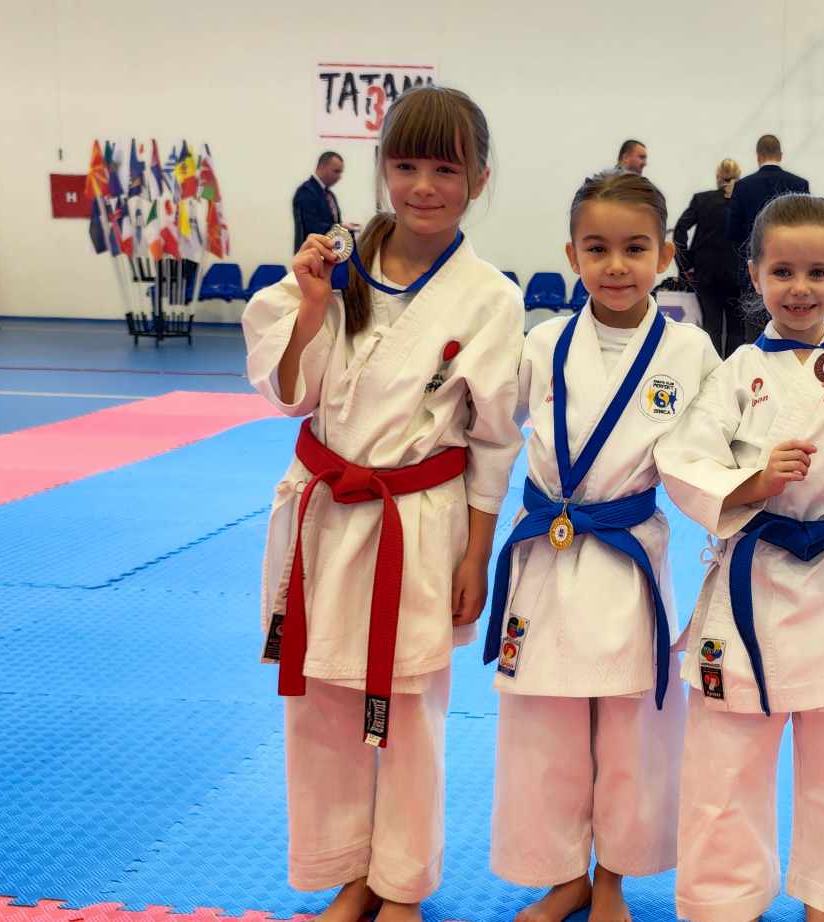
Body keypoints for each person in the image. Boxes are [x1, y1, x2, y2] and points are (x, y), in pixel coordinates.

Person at [244, 86, 521, 922]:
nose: (423, 187)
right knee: (320, 704)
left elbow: (494, 439)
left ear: (479, 179)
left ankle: (401, 883)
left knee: (408, 707)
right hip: (326, 513)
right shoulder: (331, 265)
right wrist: (313, 309)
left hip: (419, 522)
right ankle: (347, 872)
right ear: (380, 169)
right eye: (405, 166)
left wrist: (478, 554)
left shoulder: (490, 297)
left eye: (446, 169)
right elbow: (288, 394)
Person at [656, 194, 824, 922]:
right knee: (725, 761)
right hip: (753, 577)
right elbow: (684, 460)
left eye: (817, 271)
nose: (800, 288)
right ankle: (724, 901)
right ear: (754, 274)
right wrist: (757, 481)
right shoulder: (732, 372)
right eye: (782, 271)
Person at [483, 169, 720, 922]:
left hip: (627, 555)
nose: (616, 266)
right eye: (597, 249)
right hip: (546, 550)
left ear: (666, 256)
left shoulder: (690, 351)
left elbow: (718, 453)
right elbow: (484, 428)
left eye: (635, 249)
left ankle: (612, 878)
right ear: (572, 255)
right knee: (542, 727)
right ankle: (563, 877)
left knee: (629, 730)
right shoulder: (542, 342)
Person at [723, 135, 808, 351]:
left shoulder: (743, 186)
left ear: (758, 156)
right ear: (780, 155)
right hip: (793, 271)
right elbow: (808, 229)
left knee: (754, 333)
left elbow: (732, 232)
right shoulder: (799, 184)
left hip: (756, 270)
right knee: (793, 328)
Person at [672, 158, 742, 357]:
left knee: (711, 326)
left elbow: (680, 230)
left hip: (706, 274)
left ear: (717, 176)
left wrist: (685, 264)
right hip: (738, 274)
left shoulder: (702, 200)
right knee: (736, 330)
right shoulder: (744, 203)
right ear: (739, 177)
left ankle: (711, 370)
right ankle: (734, 370)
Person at [291, 151, 345, 251]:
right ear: (322, 167)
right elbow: (312, 227)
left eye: (341, 172)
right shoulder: (306, 192)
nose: (339, 177)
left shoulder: (330, 195)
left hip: (328, 253)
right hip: (310, 254)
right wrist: (341, 228)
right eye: (336, 171)